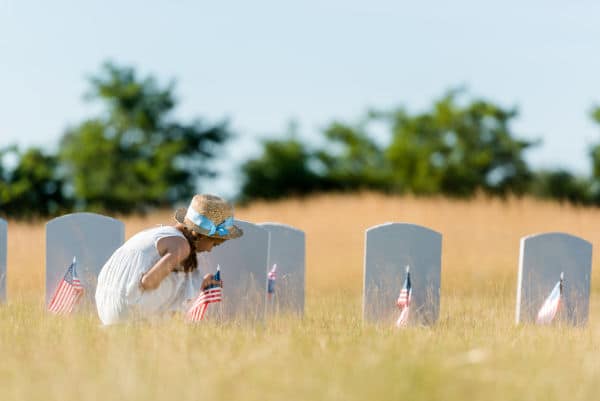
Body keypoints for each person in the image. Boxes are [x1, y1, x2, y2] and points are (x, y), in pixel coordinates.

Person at [95, 194, 243, 325]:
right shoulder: (181, 246)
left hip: (105, 305)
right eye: (214, 243)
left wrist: (199, 284)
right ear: (202, 235)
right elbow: (148, 282)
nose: (210, 249)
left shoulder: (158, 233)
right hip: (127, 310)